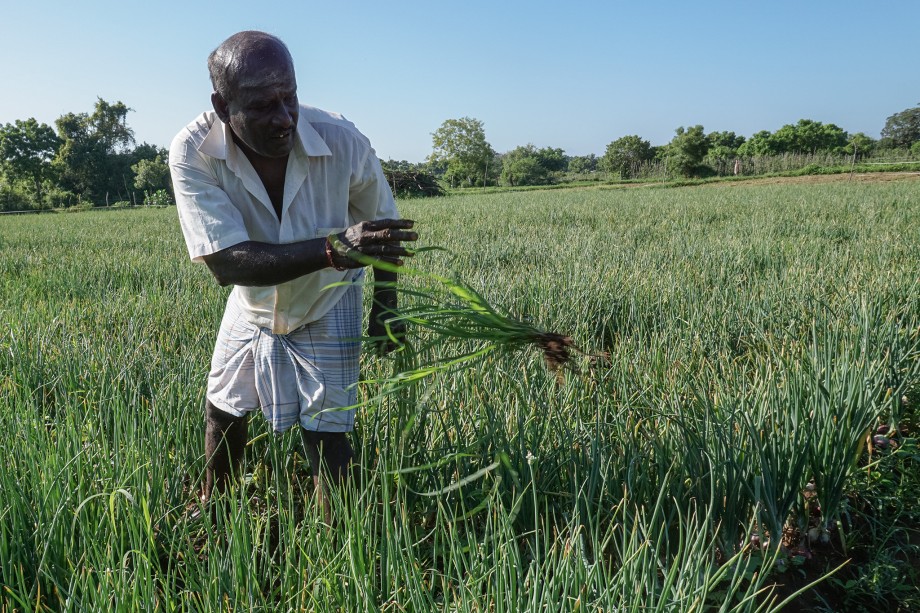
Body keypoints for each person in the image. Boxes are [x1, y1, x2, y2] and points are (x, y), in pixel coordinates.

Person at [168, 30, 417, 514]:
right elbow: (225, 262)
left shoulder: (342, 140)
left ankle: (337, 537)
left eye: (291, 97)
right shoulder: (193, 152)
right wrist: (331, 248)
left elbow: (383, 229)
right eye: (263, 106)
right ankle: (214, 505)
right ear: (222, 107)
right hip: (253, 296)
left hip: (330, 294)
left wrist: (386, 305)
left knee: (327, 428)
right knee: (222, 406)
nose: (283, 118)